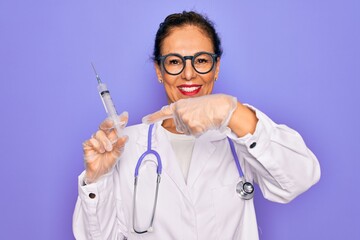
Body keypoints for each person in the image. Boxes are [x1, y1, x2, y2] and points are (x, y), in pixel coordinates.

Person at [73, 11, 321, 240]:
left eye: (201, 60)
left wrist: (231, 111)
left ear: (217, 68)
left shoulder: (239, 135)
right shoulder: (124, 145)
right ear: (159, 71)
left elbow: (299, 178)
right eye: (174, 62)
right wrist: (98, 179)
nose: (189, 74)